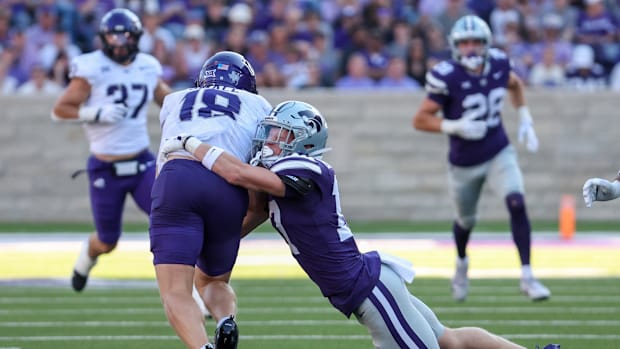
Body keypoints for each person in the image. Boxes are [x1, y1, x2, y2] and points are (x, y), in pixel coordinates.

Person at [160, 100, 558, 349]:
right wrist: (210, 245)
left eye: (280, 134)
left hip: (368, 291)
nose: (271, 141)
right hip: (370, 285)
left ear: (303, 141)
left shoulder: (306, 168)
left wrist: (191, 143)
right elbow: (254, 213)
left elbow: (239, 175)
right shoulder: (288, 173)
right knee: (449, 340)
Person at [49, 8, 210, 317]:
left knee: (172, 224)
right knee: (107, 241)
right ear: (103, 38)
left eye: (126, 36)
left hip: (142, 164)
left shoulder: (147, 66)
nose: (120, 42)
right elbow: (60, 110)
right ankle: (87, 256)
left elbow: (166, 98)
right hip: (105, 167)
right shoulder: (91, 67)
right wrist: (94, 113)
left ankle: (192, 295)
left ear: (136, 38)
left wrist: (194, 107)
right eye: (113, 35)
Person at [411, 15, 550, 302]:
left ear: (486, 44)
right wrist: (454, 126)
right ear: (455, 46)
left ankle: (527, 275)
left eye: (476, 42)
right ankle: (461, 264)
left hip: (498, 149)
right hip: (463, 161)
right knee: (465, 221)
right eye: (464, 43)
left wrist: (524, 117)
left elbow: (515, 84)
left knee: (517, 201)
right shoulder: (446, 74)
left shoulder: (499, 62)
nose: (470, 48)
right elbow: (420, 119)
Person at [152, 51, 272, 349]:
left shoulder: (175, 99)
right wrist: (229, 228)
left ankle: (203, 347)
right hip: (229, 188)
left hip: (178, 176)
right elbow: (258, 205)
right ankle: (224, 320)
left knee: (176, 291)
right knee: (213, 281)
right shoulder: (259, 105)